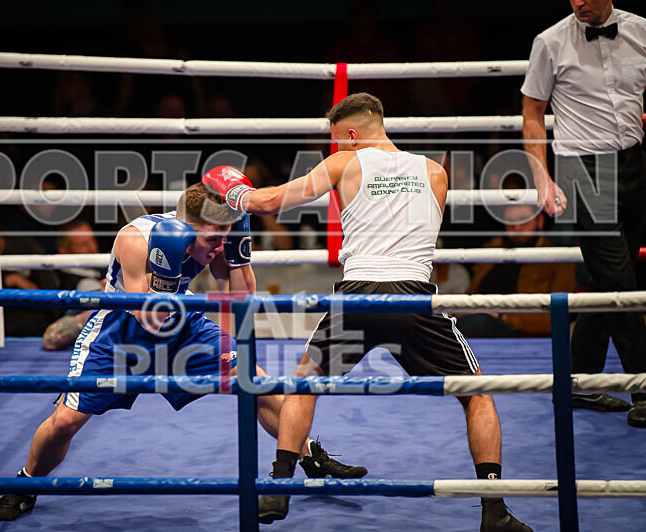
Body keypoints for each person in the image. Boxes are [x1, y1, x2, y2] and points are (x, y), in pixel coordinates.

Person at [203, 93, 531, 531]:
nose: (337, 147)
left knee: (304, 384)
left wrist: (235, 192)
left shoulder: (345, 163)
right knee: (477, 396)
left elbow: (270, 202)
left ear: (353, 135)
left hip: (357, 296)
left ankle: (279, 488)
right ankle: (494, 510)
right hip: (414, 297)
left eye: (338, 140)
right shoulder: (436, 173)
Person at [0, 183, 367, 521]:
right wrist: (167, 273)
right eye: (212, 241)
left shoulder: (218, 233)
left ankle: (308, 455)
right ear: (187, 228)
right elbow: (148, 319)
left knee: (257, 385)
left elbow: (242, 300)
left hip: (184, 324)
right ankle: (26, 483)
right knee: (64, 422)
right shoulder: (136, 240)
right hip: (122, 330)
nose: (217, 247)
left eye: (224, 237)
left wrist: (238, 255)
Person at [521, 0, 646, 425]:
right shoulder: (550, 42)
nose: (578, 2)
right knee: (617, 279)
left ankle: (579, 382)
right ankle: (645, 384)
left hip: (633, 163)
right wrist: (542, 179)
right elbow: (532, 114)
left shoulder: (643, 31)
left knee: (609, 280)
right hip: (581, 169)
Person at [457, 205, 577, 337]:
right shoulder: (492, 256)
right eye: (510, 222)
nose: (517, 228)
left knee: (479, 323)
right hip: (475, 323)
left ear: (540, 221)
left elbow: (558, 317)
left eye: (524, 220)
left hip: (518, 334)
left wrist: (502, 316)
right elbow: (468, 298)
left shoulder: (559, 260)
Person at [42, 218, 106, 351]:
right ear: (64, 251)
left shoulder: (97, 272)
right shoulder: (73, 282)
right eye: (83, 244)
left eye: (92, 241)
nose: (92, 248)